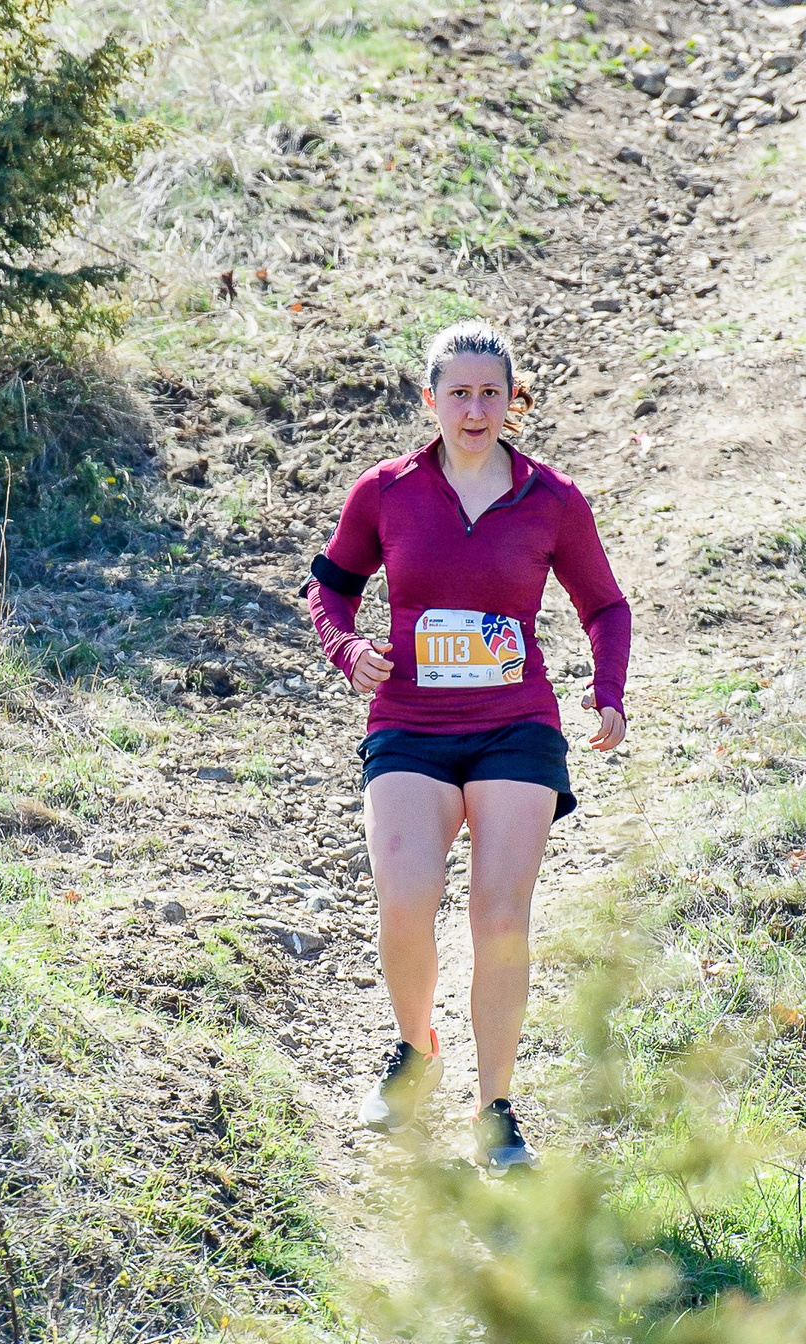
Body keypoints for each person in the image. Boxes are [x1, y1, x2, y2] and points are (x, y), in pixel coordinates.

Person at [305, 321, 630, 1172]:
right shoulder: (386, 492)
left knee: (499, 918)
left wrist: (609, 692)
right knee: (405, 899)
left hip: (516, 726)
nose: (476, 407)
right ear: (431, 401)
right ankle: (415, 1051)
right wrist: (348, 651)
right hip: (409, 722)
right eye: (460, 392)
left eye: (492, 392)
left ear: (512, 401)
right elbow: (330, 589)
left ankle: (495, 1107)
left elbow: (605, 606)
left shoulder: (552, 498)